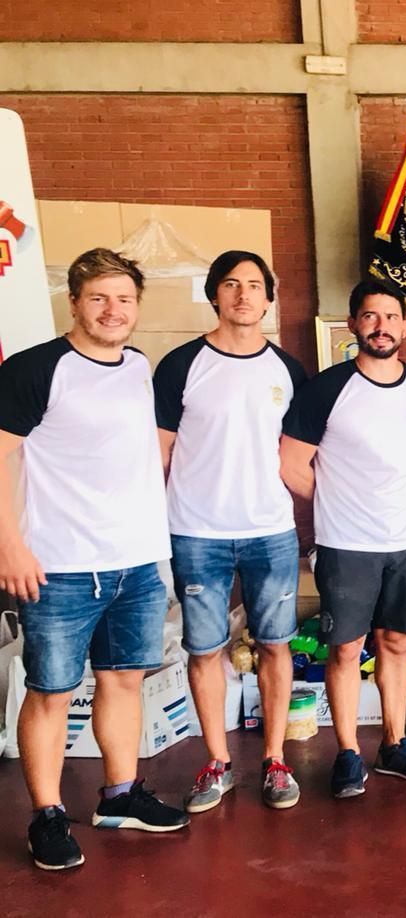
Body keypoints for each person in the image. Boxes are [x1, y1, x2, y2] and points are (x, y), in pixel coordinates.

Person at [0, 248, 189, 871]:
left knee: (124, 679)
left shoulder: (137, 366)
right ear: (75, 303)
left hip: (136, 561)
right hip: (59, 564)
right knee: (51, 691)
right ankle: (47, 815)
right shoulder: (36, 369)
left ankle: (119, 795)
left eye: (125, 299)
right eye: (99, 298)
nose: (113, 310)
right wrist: (9, 545)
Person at [280, 279, 406, 797]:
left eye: (391, 317)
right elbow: (290, 462)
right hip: (346, 543)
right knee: (346, 648)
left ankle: (395, 745)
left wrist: (397, 493)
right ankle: (348, 752)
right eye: (371, 316)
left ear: (404, 326)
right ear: (355, 324)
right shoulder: (327, 389)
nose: (381, 326)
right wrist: (338, 500)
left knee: (397, 643)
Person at [155, 251, 307, 812]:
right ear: (214, 295)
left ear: (268, 298)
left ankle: (275, 760)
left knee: (275, 643)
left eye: (254, 285)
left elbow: (300, 455)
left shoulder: (288, 371)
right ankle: (217, 763)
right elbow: (159, 453)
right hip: (197, 531)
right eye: (231, 284)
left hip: (271, 529)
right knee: (205, 649)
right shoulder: (181, 365)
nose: (243, 295)